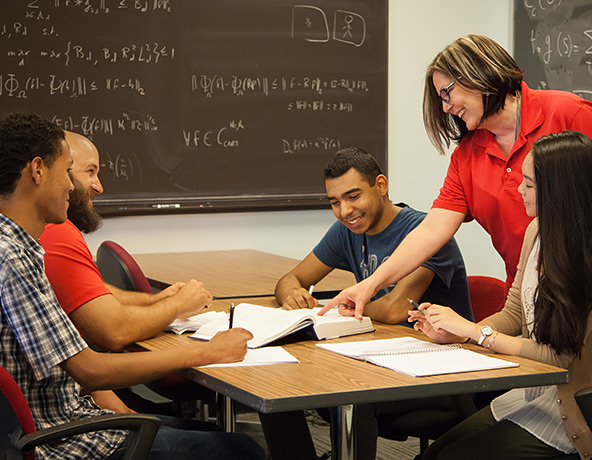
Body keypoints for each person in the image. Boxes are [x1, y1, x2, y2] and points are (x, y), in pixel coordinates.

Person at [323, 35, 592, 338]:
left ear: (479, 74)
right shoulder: (468, 155)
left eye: (446, 94)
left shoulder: (569, 113)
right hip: (533, 301)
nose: (445, 108)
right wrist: (370, 285)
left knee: (582, 407)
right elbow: (433, 230)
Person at [0, 112, 265, 460]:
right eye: (67, 171)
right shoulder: (13, 259)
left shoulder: (20, 247)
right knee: (241, 450)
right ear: (37, 170)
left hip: (63, 419)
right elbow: (89, 369)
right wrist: (206, 352)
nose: (71, 185)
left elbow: (62, 366)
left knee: (212, 435)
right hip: (60, 440)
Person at [410, 130, 592, 460]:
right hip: (536, 393)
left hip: (580, 411)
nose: (519, 190)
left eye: (529, 184)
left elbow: (558, 358)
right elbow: (515, 311)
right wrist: (458, 333)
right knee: (434, 455)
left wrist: (476, 332)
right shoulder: (538, 230)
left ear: (559, 192)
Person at [260, 147, 475, 460]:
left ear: (381, 186)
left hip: (445, 374)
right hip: (380, 358)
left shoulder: (424, 232)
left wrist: (342, 306)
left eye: (353, 196)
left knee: (353, 396)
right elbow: (291, 278)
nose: (345, 210)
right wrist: (291, 292)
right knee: (275, 376)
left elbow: (394, 309)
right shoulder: (346, 232)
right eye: (334, 202)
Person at [40, 131, 213, 414]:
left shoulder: (34, 232)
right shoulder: (56, 233)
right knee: (242, 450)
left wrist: (157, 301)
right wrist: (179, 305)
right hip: (72, 409)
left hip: (77, 398)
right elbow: (114, 332)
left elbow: (95, 293)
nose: (99, 186)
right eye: (90, 172)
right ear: (55, 172)